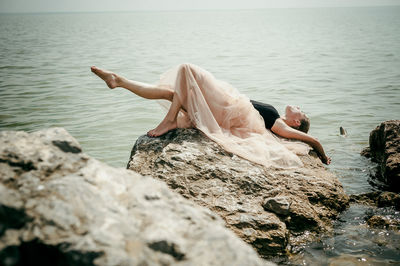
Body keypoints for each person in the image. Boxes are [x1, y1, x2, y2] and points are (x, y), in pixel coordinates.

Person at [91, 63, 331, 168]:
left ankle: (170, 120)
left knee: (187, 70)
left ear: (296, 122)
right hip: (223, 107)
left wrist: (322, 154)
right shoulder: (277, 117)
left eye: (301, 110)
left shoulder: (279, 124)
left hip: (225, 107)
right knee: (171, 92)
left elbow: (313, 140)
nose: (298, 106)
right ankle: (120, 81)